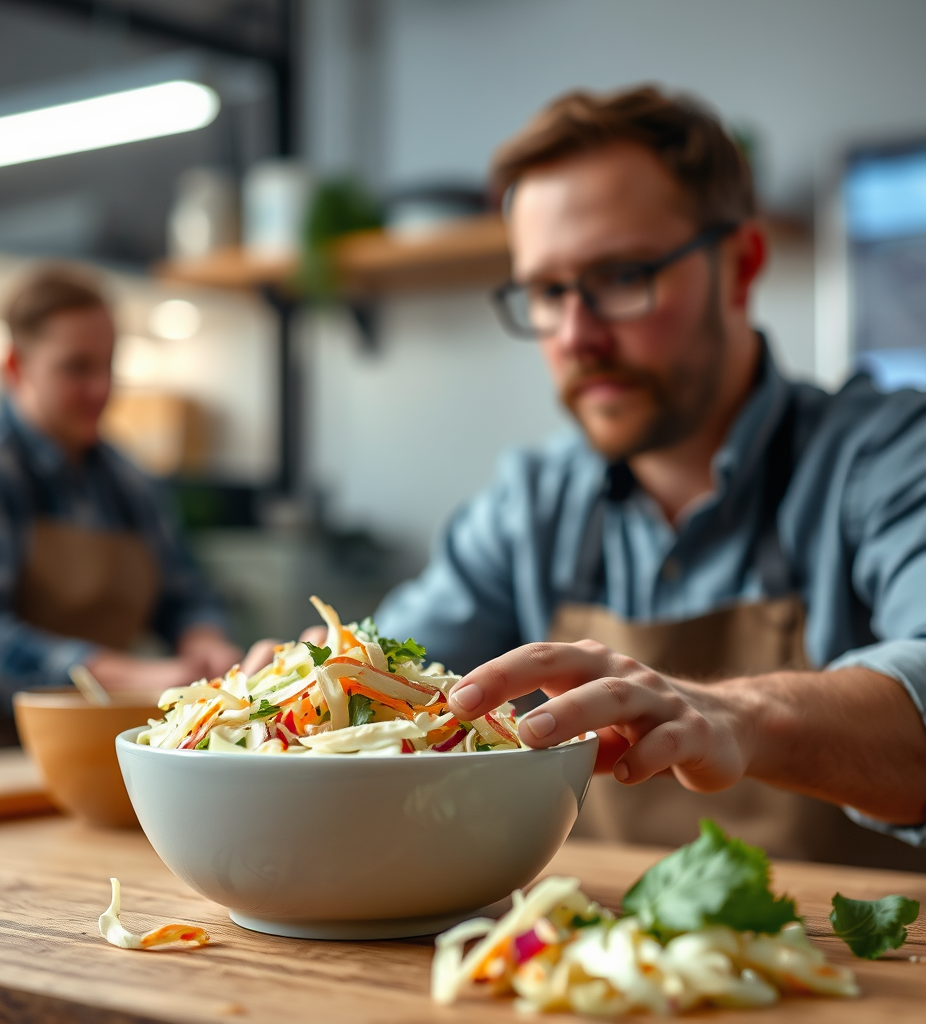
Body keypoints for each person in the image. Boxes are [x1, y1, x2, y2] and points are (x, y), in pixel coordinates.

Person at [257, 86, 926, 868]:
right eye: (546, 291)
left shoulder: (888, 456)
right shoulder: (531, 505)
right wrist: (328, 689)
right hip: (587, 970)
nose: (576, 335)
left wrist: (735, 715)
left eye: (622, 275)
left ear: (740, 266)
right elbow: (402, 681)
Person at [0, 266, 241, 754]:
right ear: (16, 367)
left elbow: (184, 593)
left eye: (108, 365)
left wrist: (205, 642)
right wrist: (126, 675)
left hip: (80, 740)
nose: (101, 388)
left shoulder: (131, 481)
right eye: (77, 368)